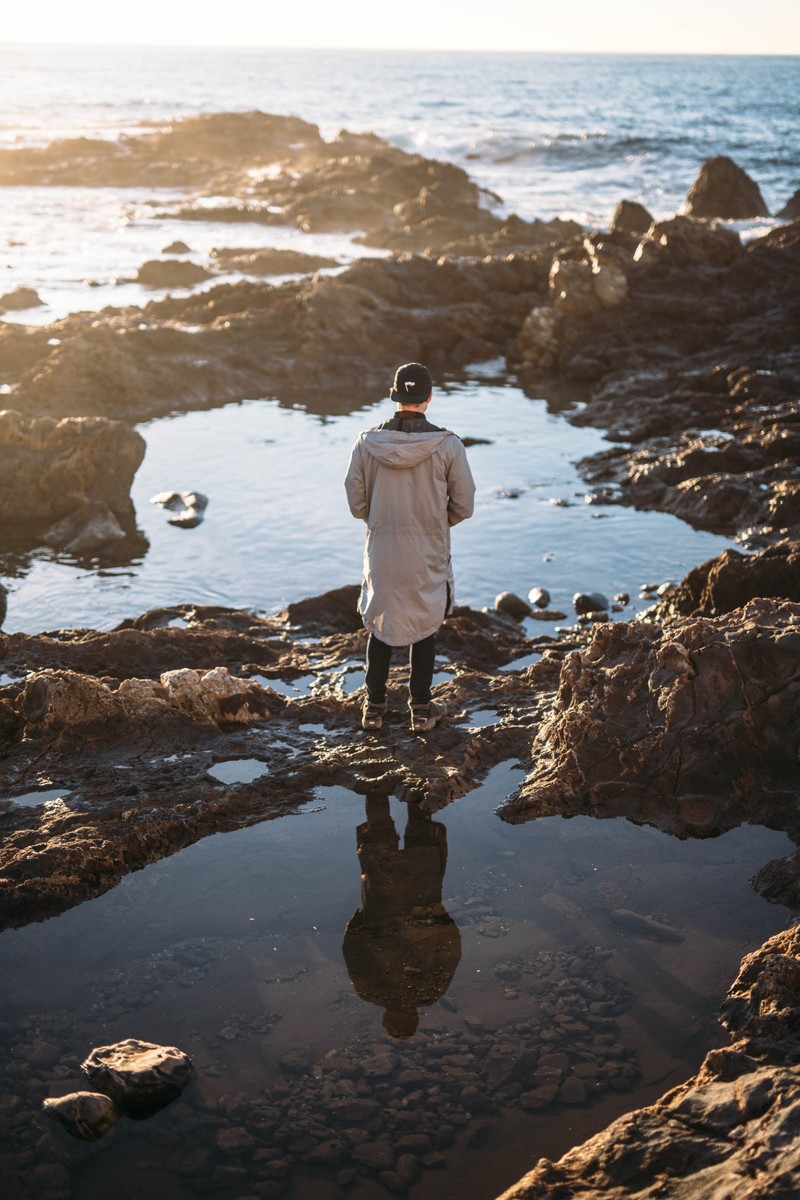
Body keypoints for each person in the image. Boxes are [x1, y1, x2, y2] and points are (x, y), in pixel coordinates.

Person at [344, 363, 475, 732]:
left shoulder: (367, 443)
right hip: (428, 550)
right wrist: (432, 523)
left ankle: (373, 709)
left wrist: (385, 521)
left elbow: (356, 504)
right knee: (424, 625)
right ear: (429, 398)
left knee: (382, 626)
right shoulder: (448, 445)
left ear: (395, 396)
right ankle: (421, 711)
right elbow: (464, 505)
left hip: (382, 549)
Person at [341, 793, 461, 1038]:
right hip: (382, 906)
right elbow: (352, 950)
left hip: (423, 901)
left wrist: (442, 919)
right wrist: (357, 922)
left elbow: (451, 947)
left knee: (420, 832)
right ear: (386, 1016)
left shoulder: (432, 991)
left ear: (414, 1017)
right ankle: (376, 780)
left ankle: (413, 782)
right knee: (380, 834)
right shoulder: (372, 993)